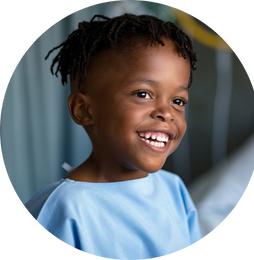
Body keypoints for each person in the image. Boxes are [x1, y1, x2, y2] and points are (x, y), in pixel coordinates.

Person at [23, 13, 202, 259]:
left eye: (178, 100)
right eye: (143, 94)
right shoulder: (64, 210)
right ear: (84, 110)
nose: (166, 113)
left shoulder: (174, 189)